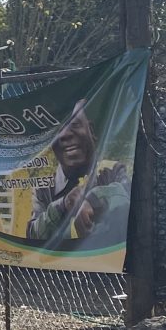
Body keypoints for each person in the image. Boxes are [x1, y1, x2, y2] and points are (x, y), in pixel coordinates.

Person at [28, 99, 131, 249]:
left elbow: (128, 197)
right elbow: (32, 235)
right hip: (60, 262)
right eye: (56, 131)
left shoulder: (111, 170)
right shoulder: (43, 188)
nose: (64, 135)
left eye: (75, 124)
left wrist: (94, 199)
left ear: (92, 132)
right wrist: (63, 205)